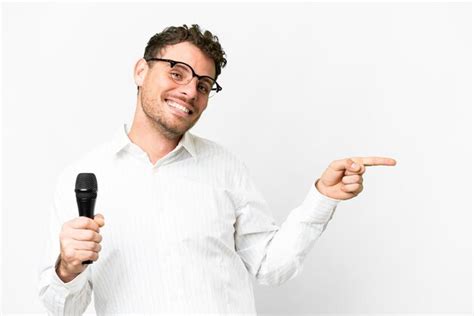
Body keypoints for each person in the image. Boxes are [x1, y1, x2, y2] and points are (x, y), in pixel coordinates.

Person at [38, 24, 396, 315]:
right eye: (177, 73)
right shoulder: (81, 176)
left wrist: (322, 197)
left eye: (203, 85)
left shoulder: (225, 168)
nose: (190, 91)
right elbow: (63, 310)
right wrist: (67, 268)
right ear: (141, 70)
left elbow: (271, 267)